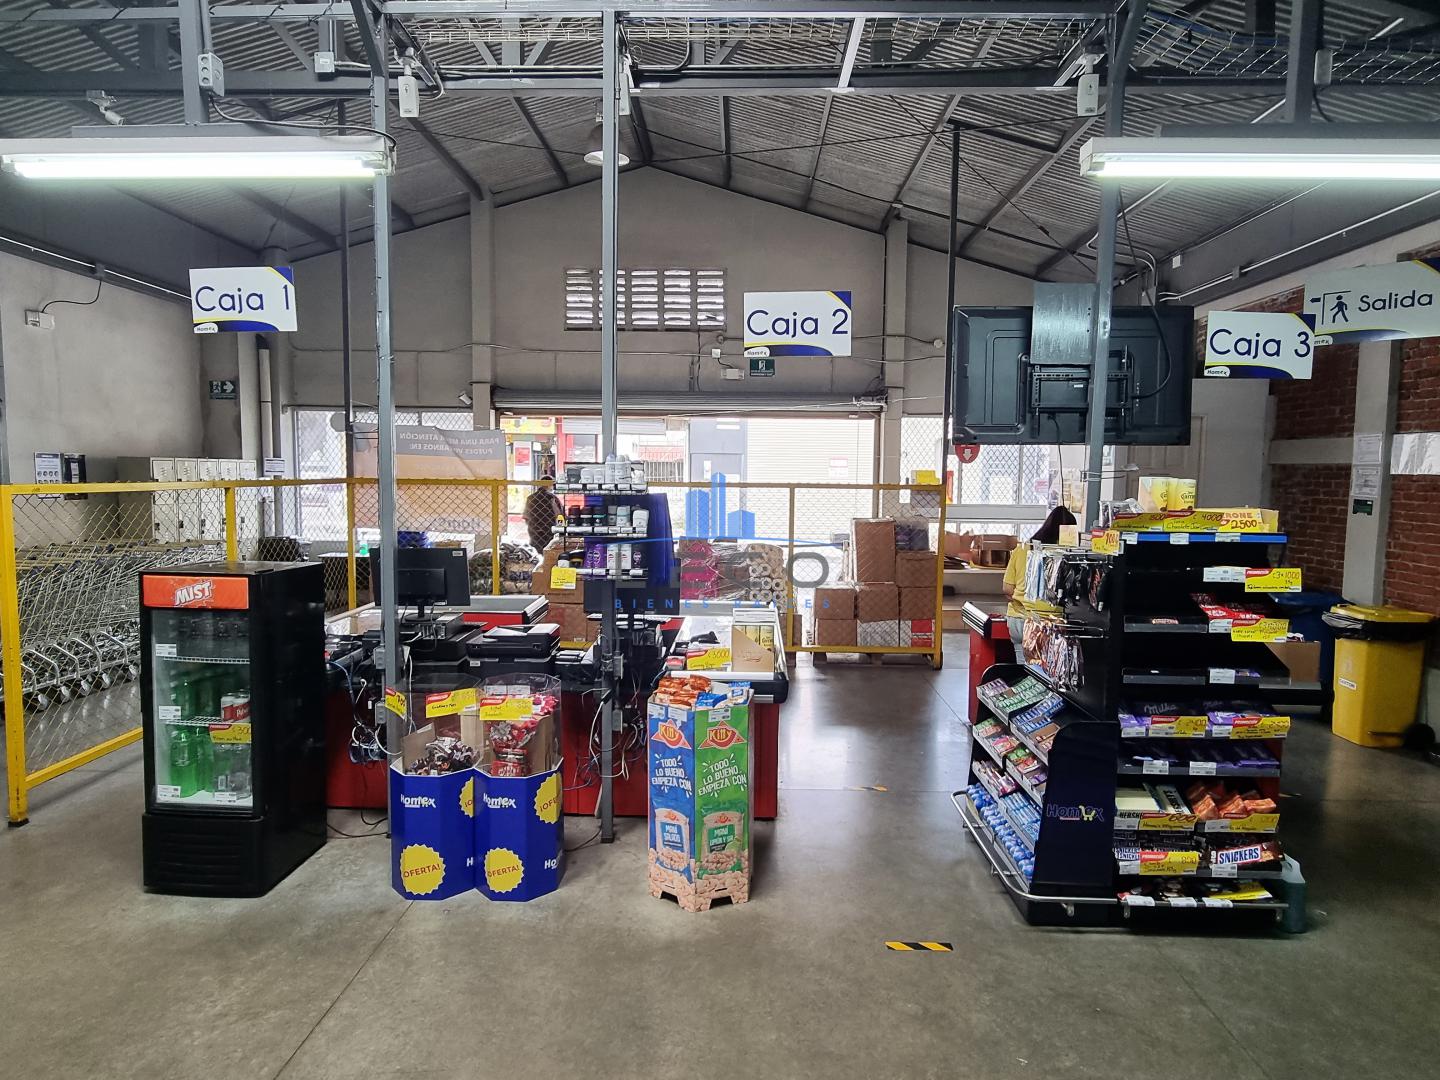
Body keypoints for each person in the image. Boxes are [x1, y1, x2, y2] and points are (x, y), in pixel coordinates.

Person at [1003, 505, 1078, 664]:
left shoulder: (1022, 548)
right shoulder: (1069, 554)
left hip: (1019, 620)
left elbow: (1007, 589)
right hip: (1052, 623)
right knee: (1048, 672)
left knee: (1025, 669)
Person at [524, 471, 563, 552]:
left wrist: (532, 525)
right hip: (549, 530)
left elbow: (526, 516)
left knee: (535, 552)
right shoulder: (552, 498)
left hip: (534, 530)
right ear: (550, 485)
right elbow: (559, 515)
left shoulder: (530, 498)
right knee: (549, 551)